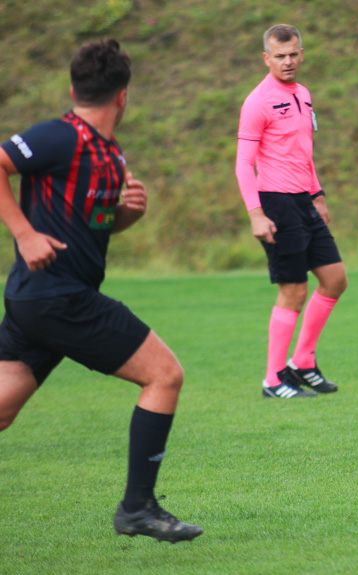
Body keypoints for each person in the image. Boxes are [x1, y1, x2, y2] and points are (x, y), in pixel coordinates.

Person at [0, 40, 202, 542]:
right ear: (124, 97)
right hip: (57, 296)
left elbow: (90, 226)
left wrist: (127, 215)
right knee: (164, 375)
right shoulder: (60, 137)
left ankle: (139, 507)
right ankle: (138, 507)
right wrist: (24, 234)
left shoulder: (109, 157)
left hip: (39, 299)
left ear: (74, 88)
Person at [236, 24, 347, 399]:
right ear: (266, 58)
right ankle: (272, 379)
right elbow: (242, 164)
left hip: (304, 200)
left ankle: (303, 361)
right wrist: (255, 213)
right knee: (294, 290)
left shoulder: (303, 94)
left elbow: (303, 151)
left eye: (293, 54)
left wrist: (317, 196)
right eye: (279, 56)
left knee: (335, 279)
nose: (287, 62)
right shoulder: (257, 102)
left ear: (302, 54)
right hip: (276, 203)